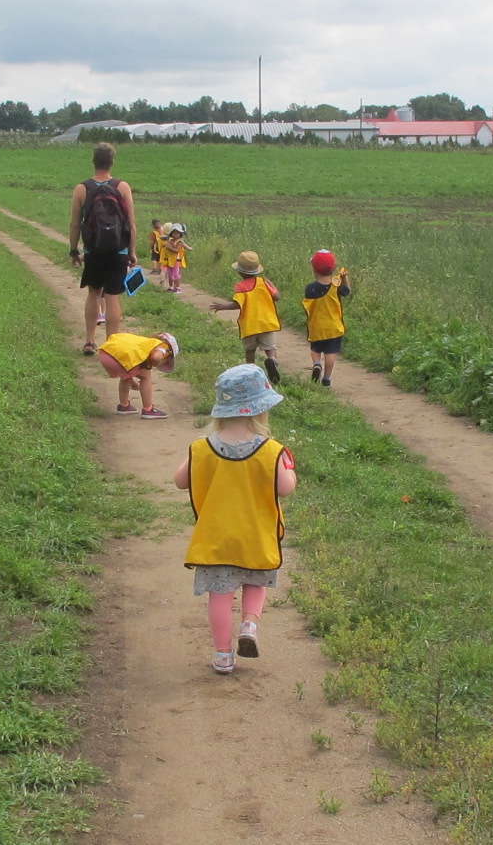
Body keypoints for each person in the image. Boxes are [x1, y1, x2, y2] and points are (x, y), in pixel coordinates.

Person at [174, 364, 297, 674]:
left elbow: (180, 481)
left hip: (216, 539)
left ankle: (222, 655)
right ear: (260, 411)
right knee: (255, 583)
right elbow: (286, 488)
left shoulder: (201, 448)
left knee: (219, 595)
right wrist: (290, 470)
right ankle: (249, 625)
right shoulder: (272, 451)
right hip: (255, 536)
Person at [68, 142, 137, 354]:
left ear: (94, 161)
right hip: (118, 250)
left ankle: (90, 341)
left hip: (93, 250)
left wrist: (74, 250)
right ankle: (111, 346)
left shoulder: (81, 189)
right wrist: (132, 252)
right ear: (112, 162)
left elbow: (75, 224)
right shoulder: (122, 187)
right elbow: (131, 223)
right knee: (112, 296)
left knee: (93, 293)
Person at [209, 251, 283, 383]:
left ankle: (251, 371)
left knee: (250, 350)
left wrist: (223, 306)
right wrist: (273, 287)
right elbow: (277, 297)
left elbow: (237, 304)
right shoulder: (264, 282)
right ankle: (272, 360)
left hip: (250, 326)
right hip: (267, 323)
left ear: (239, 272)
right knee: (270, 348)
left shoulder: (241, 287)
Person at [94, 331, 177, 420]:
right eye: (166, 361)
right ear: (169, 354)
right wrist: (154, 363)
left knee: (126, 377)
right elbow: (156, 357)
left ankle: (124, 406)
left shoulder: (143, 343)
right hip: (120, 357)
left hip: (106, 353)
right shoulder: (164, 347)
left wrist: (131, 381)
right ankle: (148, 409)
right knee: (146, 376)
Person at [301, 248, 352, 387]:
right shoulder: (336, 286)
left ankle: (317, 364)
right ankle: (327, 379)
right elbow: (347, 291)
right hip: (334, 328)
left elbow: (307, 307)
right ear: (333, 268)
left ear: (314, 269)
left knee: (315, 350)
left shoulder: (310, 288)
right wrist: (344, 278)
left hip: (316, 326)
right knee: (331, 353)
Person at [161, 223, 191, 293]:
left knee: (176, 274)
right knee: (170, 274)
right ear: (171, 234)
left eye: (177, 233)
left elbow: (176, 250)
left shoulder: (180, 242)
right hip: (169, 260)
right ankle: (171, 287)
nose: (176, 235)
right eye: (174, 233)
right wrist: (168, 246)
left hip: (176, 261)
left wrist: (169, 247)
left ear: (180, 234)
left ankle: (177, 287)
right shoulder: (170, 241)